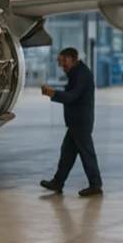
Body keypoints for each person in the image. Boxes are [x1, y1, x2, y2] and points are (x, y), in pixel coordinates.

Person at [39, 48, 103, 197]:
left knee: (86, 153)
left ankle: (95, 184)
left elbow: (72, 96)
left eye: (64, 61)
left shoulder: (81, 74)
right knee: (67, 153)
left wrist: (53, 94)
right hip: (76, 122)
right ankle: (58, 182)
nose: (61, 65)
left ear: (73, 59)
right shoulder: (76, 73)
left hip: (81, 122)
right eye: (59, 62)